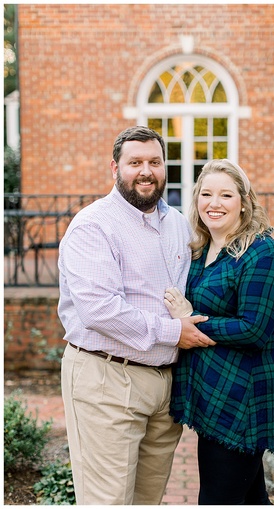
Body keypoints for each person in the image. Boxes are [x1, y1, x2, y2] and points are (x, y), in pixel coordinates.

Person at [58, 126, 216, 505]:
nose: (146, 171)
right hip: (107, 379)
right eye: (135, 162)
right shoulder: (93, 225)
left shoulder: (178, 223)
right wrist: (173, 331)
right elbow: (99, 310)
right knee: (108, 501)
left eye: (155, 162)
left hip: (165, 388)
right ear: (115, 167)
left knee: (147, 499)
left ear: (165, 167)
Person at [163, 159, 274, 505]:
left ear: (244, 202)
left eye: (225, 195)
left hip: (244, 398)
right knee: (249, 498)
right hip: (214, 392)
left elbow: (256, 329)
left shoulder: (262, 253)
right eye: (206, 194)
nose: (214, 203)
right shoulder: (201, 249)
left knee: (218, 499)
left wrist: (193, 320)